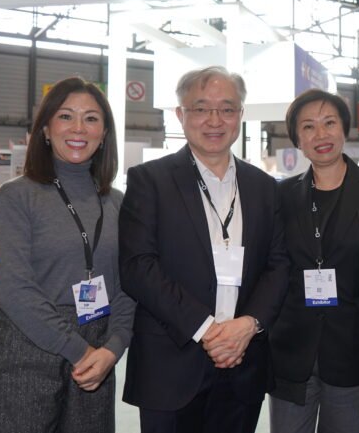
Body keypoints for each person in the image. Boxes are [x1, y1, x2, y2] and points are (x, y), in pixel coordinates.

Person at [119, 66, 289, 433]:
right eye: (200, 108)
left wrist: (249, 324)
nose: (214, 120)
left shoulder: (264, 187)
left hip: (244, 362)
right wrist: (208, 329)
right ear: (180, 114)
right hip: (170, 365)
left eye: (227, 109)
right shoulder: (150, 180)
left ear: (240, 115)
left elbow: (278, 265)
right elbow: (138, 267)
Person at [0, 76, 135, 433]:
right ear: (46, 129)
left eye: (91, 118)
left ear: (104, 133)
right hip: (28, 345)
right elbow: (14, 288)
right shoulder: (18, 196)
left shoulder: (117, 202)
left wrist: (113, 347)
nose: (78, 128)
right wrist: (78, 350)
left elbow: (129, 284)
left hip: (98, 349)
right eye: (65, 116)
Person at [269, 89, 359, 433]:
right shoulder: (282, 195)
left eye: (329, 123)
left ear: (344, 129)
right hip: (291, 353)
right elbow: (271, 269)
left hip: (356, 353)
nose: (321, 134)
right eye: (308, 127)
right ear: (297, 140)